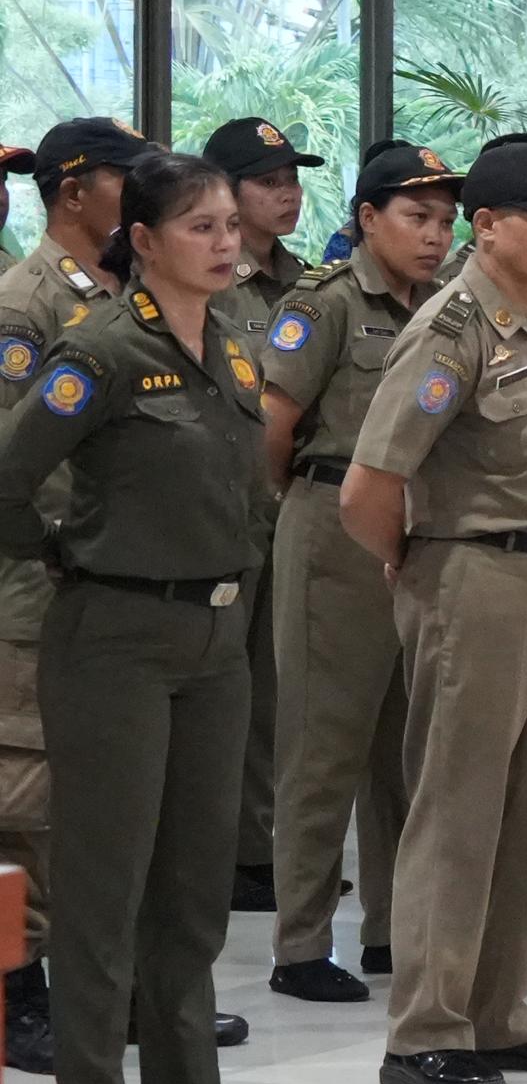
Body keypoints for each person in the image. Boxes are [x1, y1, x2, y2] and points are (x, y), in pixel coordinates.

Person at [0, 152, 310, 1084]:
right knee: (105, 881)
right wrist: (64, 554)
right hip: (117, 638)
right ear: (142, 240)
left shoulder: (230, 347)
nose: (225, 241)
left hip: (217, 638)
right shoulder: (102, 350)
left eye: (229, 224)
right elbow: (8, 476)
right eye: (199, 226)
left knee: (192, 881)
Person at [340, 138, 527, 1084]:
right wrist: (421, 572)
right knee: (458, 808)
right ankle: (427, 1026)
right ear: (486, 226)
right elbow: (369, 487)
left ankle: (500, 1012)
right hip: (476, 576)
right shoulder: (453, 327)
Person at [258, 141, 455, 1003]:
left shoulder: (446, 310)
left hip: (417, 527)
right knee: (323, 743)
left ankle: (389, 930)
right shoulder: (328, 302)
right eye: (417, 217)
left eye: (446, 220)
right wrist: (302, 505)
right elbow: (273, 425)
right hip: (333, 526)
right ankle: (301, 944)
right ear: (369, 219)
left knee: (404, 748)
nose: (435, 235)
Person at [0, 118, 138, 1076]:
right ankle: (18, 991)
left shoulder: (127, 292)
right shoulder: (29, 301)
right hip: (37, 582)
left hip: (109, 581)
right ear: (76, 191)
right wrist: (52, 549)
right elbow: (14, 459)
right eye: (126, 177)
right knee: (28, 796)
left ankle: (98, 990)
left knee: (99, 793)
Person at [204, 119, 325, 921]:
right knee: (224, 685)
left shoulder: (308, 284)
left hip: (290, 507)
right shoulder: (207, 280)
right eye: (268, 181)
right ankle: (223, 850)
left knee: (278, 686)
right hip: (220, 506)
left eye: (293, 178)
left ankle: (260, 848)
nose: (288, 194)